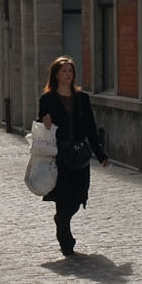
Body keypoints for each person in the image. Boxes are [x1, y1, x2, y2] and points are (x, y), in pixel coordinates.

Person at [37, 55, 109, 257]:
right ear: (56, 75)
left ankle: (61, 219)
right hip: (59, 154)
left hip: (79, 153)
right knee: (63, 195)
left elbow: (91, 128)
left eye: (70, 71)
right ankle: (66, 239)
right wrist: (47, 125)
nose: (68, 74)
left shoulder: (82, 98)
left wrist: (100, 154)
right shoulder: (48, 99)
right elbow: (40, 126)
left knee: (79, 196)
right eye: (64, 71)